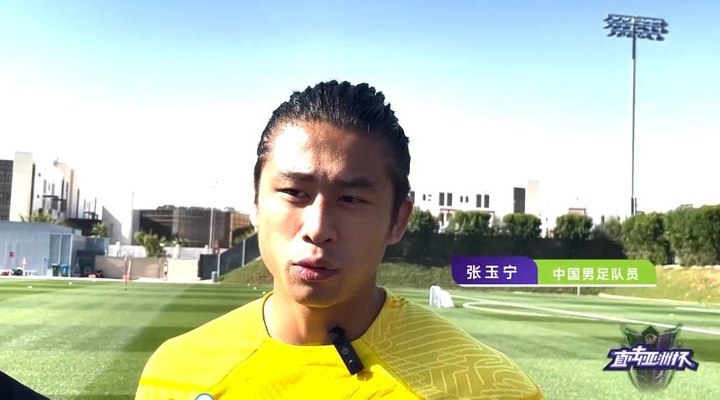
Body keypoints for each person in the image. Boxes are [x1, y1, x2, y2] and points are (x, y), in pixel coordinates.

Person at [135, 80, 544, 399]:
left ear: (397, 220)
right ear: (256, 203)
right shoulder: (176, 374)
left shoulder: (487, 389)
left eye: (351, 199)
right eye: (294, 192)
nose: (318, 228)